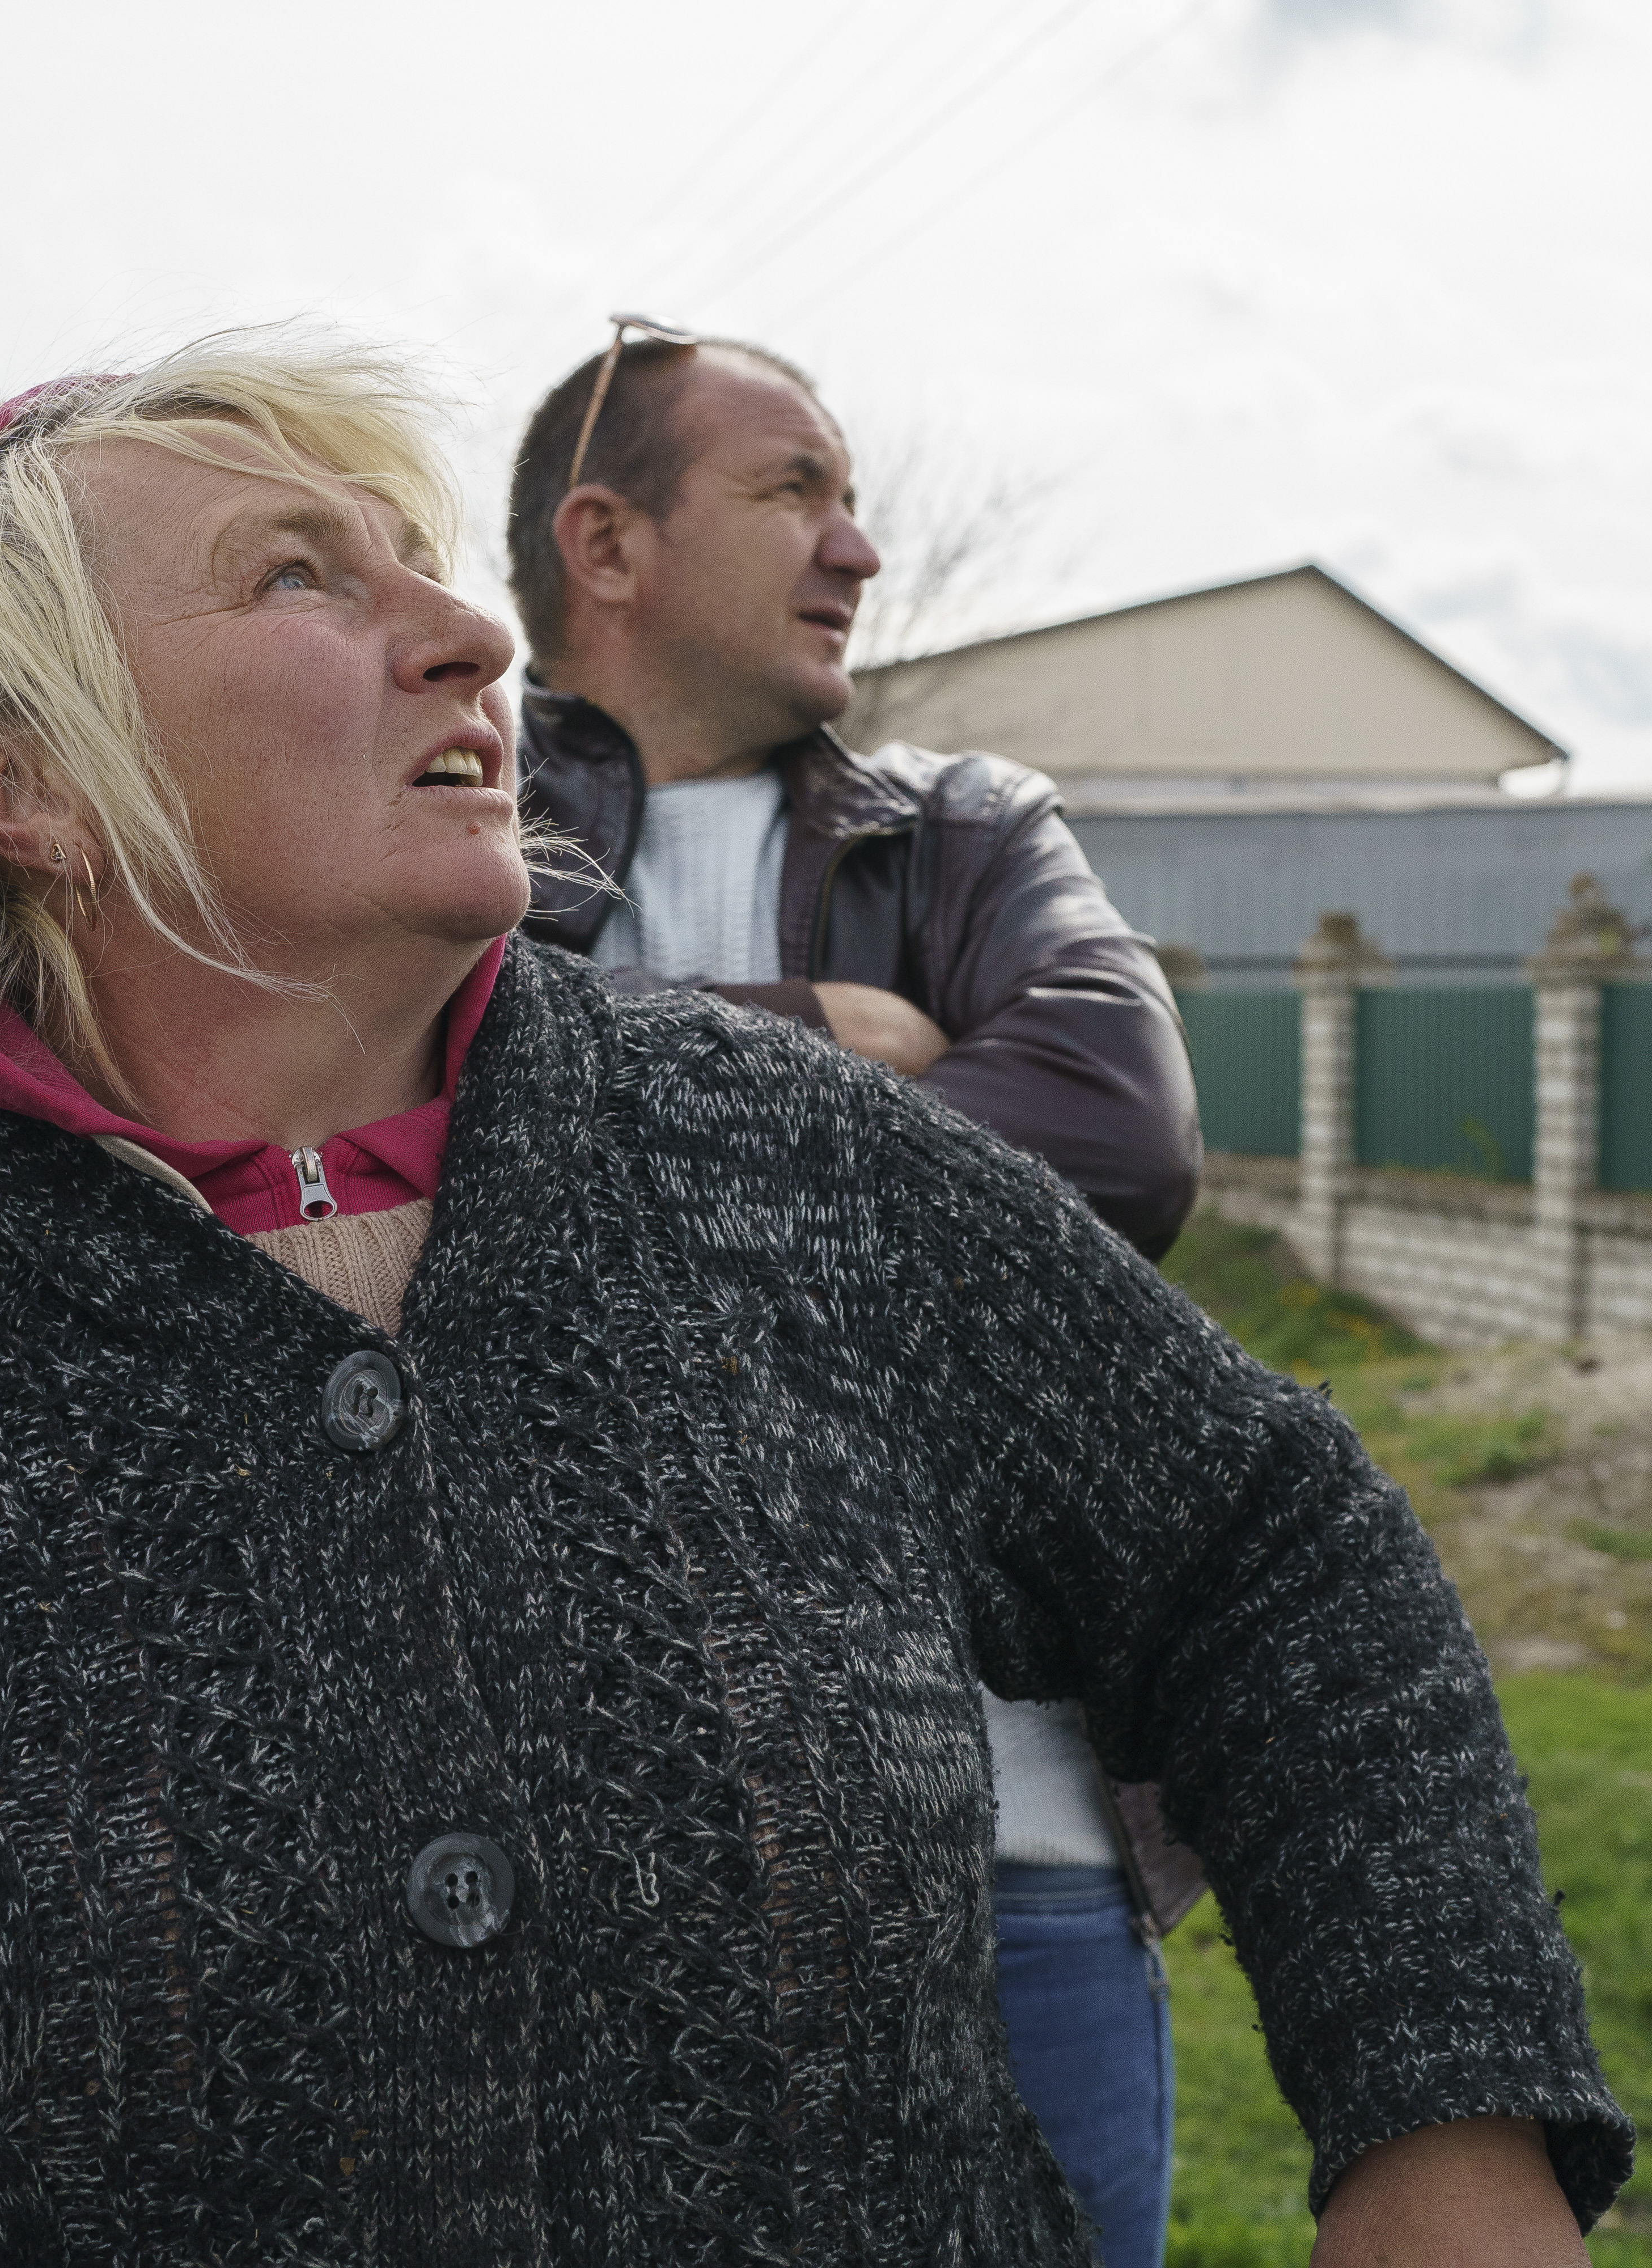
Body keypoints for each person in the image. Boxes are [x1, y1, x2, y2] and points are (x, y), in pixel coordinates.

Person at [0, 339, 1629, 2265]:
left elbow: (1268, 1551)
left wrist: (1447, 2128)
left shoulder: (783, 1168)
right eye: (297, 579)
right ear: (18, 776)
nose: (470, 638)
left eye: (429, 577)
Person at [507, 320, 1202, 2265]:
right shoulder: (462, 839)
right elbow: (406, 1133)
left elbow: (1120, 1130)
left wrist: (609, 1141)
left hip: (1017, 1851)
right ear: (610, 542)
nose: (860, 547)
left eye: (853, 496)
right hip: (583, 1848)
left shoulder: (967, 828)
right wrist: (807, 1028)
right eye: (794, 489)